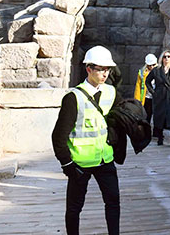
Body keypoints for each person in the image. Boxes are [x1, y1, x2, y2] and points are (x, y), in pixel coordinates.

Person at [51, 46, 123, 235]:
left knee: (113, 201)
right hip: (79, 163)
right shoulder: (73, 98)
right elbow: (58, 136)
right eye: (100, 69)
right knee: (74, 209)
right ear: (88, 69)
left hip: (104, 159)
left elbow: (118, 119)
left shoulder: (111, 92)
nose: (105, 73)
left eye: (107, 69)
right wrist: (67, 164)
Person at [145, 50, 170, 146]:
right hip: (160, 97)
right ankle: (160, 137)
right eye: (165, 57)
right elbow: (147, 81)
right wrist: (153, 93)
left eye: (169, 56)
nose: (167, 59)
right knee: (159, 118)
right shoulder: (156, 70)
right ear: (162, 58)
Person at [134, 54, 157, 126]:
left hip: (157, 97)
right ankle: (146, 133)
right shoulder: (142, 73)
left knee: (158, 117)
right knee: (147, 116)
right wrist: (137, 101)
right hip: (146, 97)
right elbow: (138, 87)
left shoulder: (160, 71)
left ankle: (156, 133)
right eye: (150, 65)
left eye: (153, 65)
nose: (152, 67)